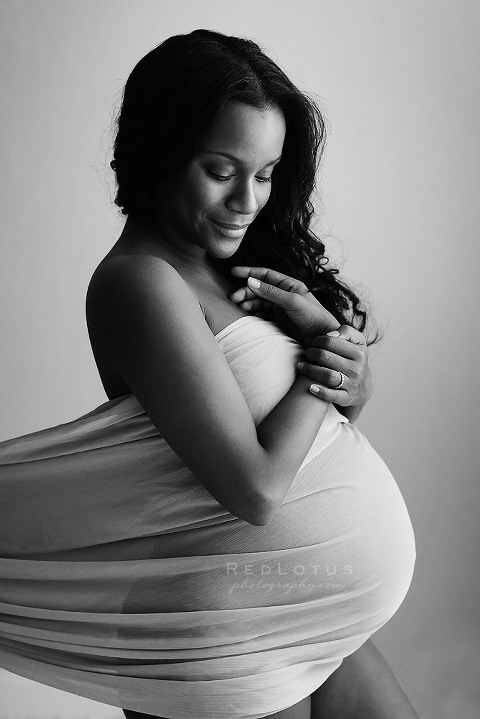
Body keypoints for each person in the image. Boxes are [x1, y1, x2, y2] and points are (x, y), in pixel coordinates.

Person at [0, 29, 419, 719]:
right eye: (221, 169)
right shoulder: (141, 282)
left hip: (292, 609)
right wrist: (321, 355)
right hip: (221, 634)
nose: (247, 199)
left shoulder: (231, 263)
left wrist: (348, 383)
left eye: (265, 172)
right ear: (160, 153)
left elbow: (302, 451)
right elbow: (255, 487)